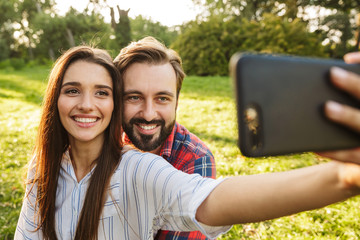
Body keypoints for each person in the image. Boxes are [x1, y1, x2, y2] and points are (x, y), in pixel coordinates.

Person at [14, 45, 360, 240]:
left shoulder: (139, 169)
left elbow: (217, 199)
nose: (87, 104)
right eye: (72, 90)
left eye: (100, 92)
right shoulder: (42, 168)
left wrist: (344, 177)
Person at [113, 37, 216, 239]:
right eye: (134, 97)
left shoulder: (194, 159)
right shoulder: (96, 144)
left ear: (176, 102)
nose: (149, 114)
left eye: (162, 98)